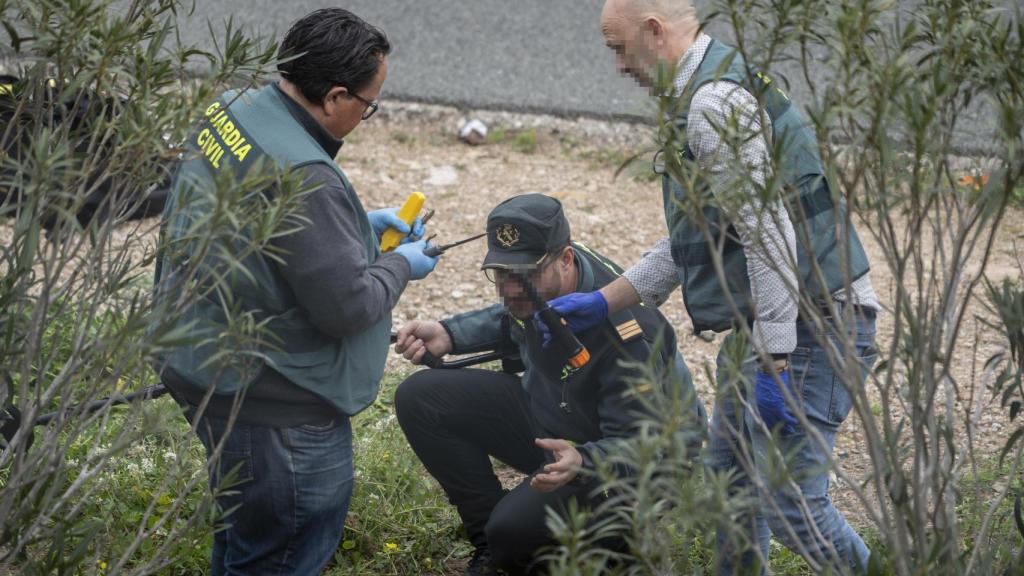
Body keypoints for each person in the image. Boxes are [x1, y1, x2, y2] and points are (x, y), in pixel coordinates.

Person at [545, 0, 882, 574]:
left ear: (653, 32)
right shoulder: (708, 87)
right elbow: (700, 238)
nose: (619, 66)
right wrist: (607, 300)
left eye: (619, 48)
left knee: (791, 504)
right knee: (729, 487)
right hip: (772, 326)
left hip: (811, 329)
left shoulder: (711, 104)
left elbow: (768, 232)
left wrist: (774, 356)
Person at [152, 8, 438, 575]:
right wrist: (401, 265)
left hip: (199, 359)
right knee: (282, 553)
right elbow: (348, 305)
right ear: (334, 97)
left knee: (246, 539)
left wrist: (354, 220)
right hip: (275, 408)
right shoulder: (305, 177)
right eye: (369, 104)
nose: (366, 113)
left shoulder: (231, 112)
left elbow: (261, 226)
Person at [393, 194, 705, 576]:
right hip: (560, 420)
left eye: (523, 275)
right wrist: (450, 334)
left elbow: (645, 444)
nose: (510, 288)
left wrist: (584, 461)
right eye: (501, 274)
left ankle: (615, 543)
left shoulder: (626, 333)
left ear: (566, 259)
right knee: (422, 397)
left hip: (632, 461)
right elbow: (521, 316)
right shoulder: (547, 279)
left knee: (513, 532)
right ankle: (489, 544)